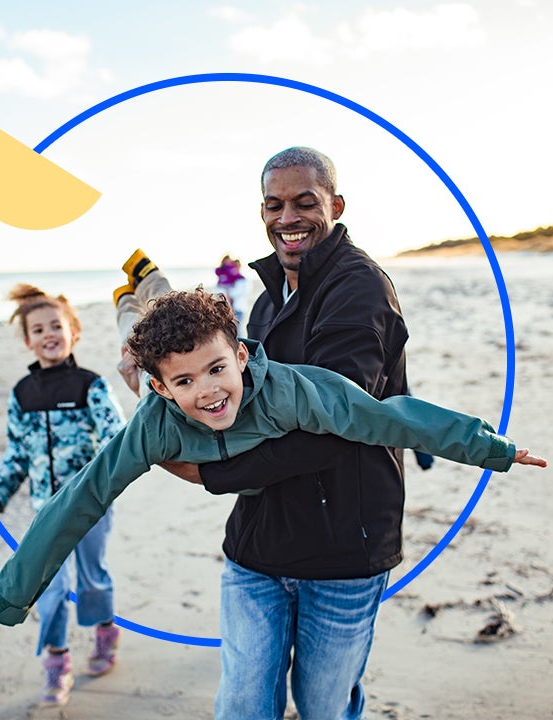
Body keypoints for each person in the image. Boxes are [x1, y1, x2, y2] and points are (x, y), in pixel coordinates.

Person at [0, 287, 546, 633]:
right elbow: (80, 498)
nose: (208, 391)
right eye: (184, 380)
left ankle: (146, 287)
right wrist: (13, 595)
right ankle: (131, 298)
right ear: (164, 388)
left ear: (243, 356)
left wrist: (487, 447)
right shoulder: (153, 419)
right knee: (131, 339)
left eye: (217, 370)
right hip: (164, 402)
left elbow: (388, 418)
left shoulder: (291, 392)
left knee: (168, 314)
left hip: (228, 407)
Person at [177, 146, 452, 719]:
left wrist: (217, 474)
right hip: (258, 545)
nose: (288, 218)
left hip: (342, 551)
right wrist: (165, 387)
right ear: (261, 211)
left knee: (325, 707)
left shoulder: (360, 289)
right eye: (275, 205)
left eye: (305, 203)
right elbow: (239, 406)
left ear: (336, 204)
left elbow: (337, 423)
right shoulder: (266, 296)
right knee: (245, 704)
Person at [0, 284, 126, 706]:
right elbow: (17, 453)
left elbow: (116, 437)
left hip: (90, 506)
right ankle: (56, 662)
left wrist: (102, 482)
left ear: (73, 332)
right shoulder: (22, 395)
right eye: (38, 328)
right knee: (51, 588)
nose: (49, 334)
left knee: (93, 576)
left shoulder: (90, 385)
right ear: (28, 340)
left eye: (56, 326)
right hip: (46, 511)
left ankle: (104, 632)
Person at [215, 254, 250, 327]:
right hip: (228, 308)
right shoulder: (228, 278)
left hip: (238, 308)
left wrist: (229, 294)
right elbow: (218, 290)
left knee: (237, 329)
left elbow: (244, 292)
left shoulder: (242, 280)